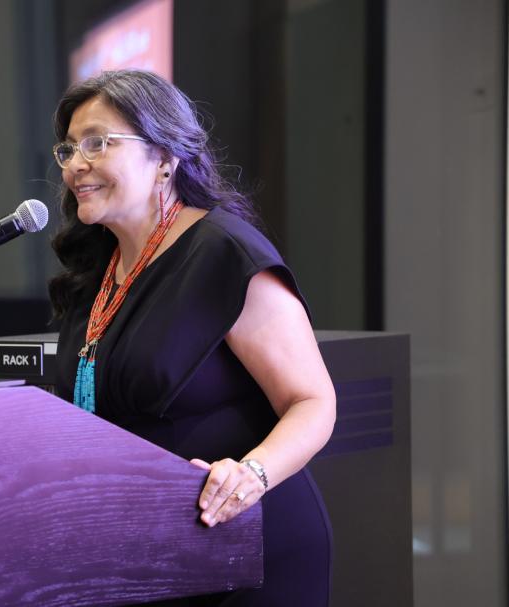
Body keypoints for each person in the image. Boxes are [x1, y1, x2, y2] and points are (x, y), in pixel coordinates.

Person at [50, 69, 336, 606]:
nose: (76, 165)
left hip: (246, 545)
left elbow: (313, 401)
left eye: (97, 143)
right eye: (68, 149)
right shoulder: (96, 265)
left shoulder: (224, 253)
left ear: (164, 156)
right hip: (141, 554)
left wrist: (252, 473)